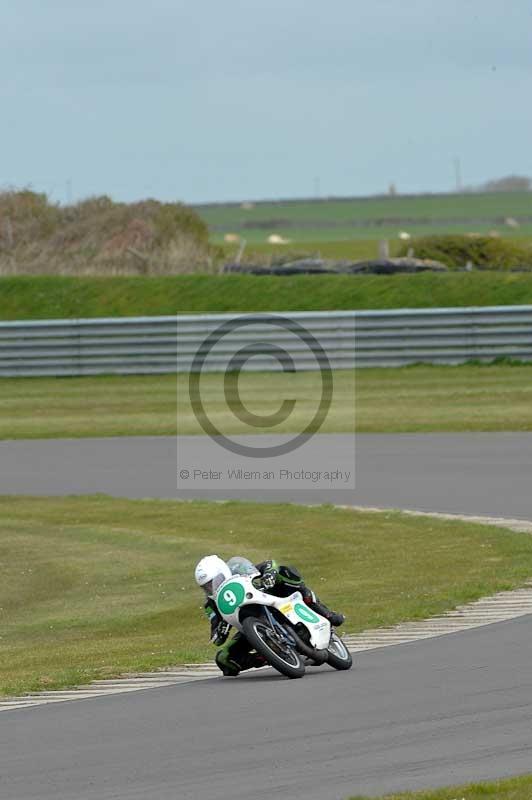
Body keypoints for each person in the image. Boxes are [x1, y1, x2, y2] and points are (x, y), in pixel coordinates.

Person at [194, 554, 345, 676]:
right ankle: (270, 655)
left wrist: (269, 574)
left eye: (213, 582)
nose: (211, 588)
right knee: (223, 659)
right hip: (250, 627)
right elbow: (216, 637)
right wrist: (220, 630)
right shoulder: (211, 605)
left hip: (272, 598)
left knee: (285, 571)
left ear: (223, 571)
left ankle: (326, 613)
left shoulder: (238, 568)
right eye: (206, 587)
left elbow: (269, 564)